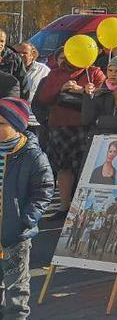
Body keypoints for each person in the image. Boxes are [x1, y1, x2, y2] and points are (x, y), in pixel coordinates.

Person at [0, 97, 54, 319]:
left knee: (16, 286)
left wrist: (27, 219)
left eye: (1, 124)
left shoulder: (32, 155)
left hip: (15, 234)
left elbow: (44, 190)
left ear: (16, 126)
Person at [35, 47, 104, 218]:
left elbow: (104, 96)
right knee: (64, 167)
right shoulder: (56, 73)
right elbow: (44, 97)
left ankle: (83, 209)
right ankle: (64, 207)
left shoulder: (94, 72)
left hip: (85, 125)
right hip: (60, 126)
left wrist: (83, 90)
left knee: (85, 167)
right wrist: (61, 88)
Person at [81, 55, 117, 149]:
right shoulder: (101, 90)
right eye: (110, 70)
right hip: (98, 142)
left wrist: (98, 121)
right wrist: (87, 95)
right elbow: (87, 119)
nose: (113, 74)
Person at [0, 30, 27, 99]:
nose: (0, 44)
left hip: (8, 100)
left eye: (2, 41)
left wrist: (22, 103)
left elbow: (23, 83)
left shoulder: (14, 58)